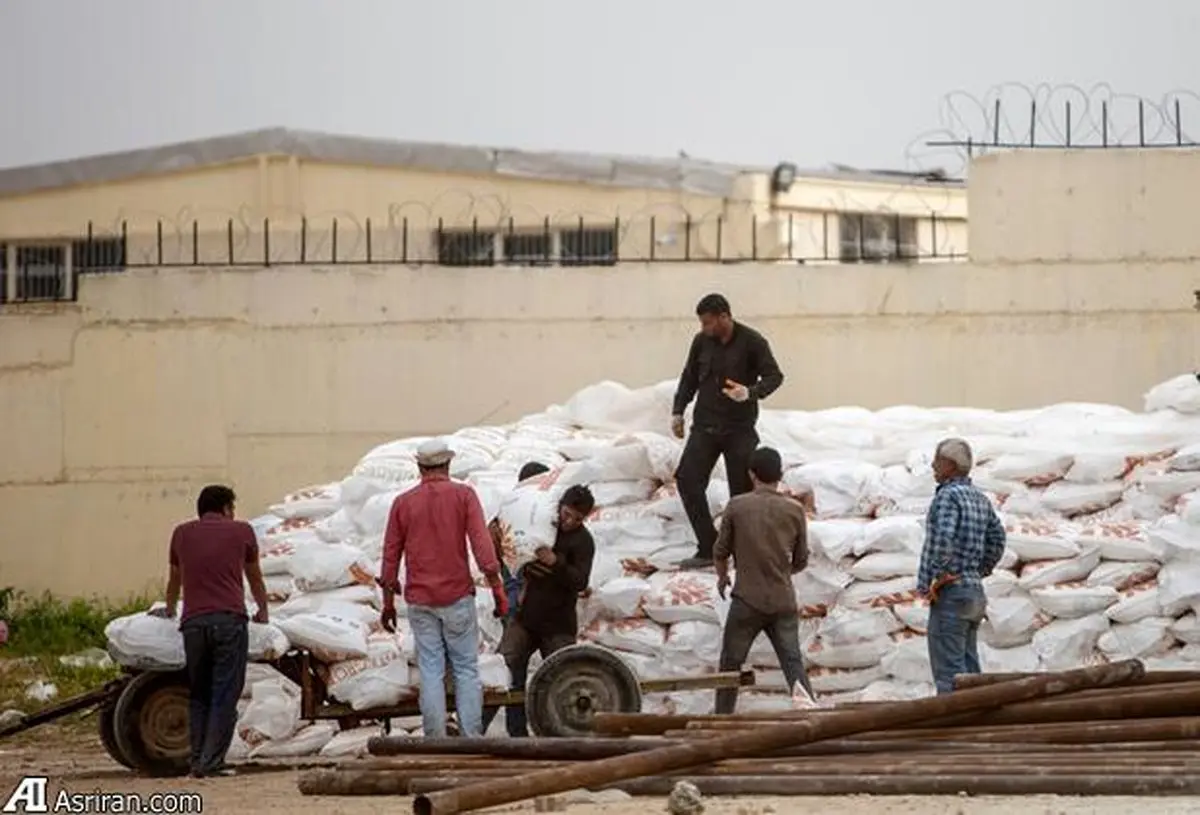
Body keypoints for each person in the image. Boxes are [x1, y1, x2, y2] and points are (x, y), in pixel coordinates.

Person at [377, 438, 507, 738]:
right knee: (465, 669)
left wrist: (387, 603)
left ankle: (434, 738)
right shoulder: (464, 496)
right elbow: (483, 549)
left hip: (420, 600)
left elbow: (390, 558)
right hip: (457, 596)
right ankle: (471, 738)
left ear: (420, 467)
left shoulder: (403, 503)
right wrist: (497, 588)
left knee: (431, 671)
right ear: (448, 464)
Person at [151, 484, 269, 779]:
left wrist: (168, 608)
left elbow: (174, 580)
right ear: (227, 508)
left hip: (193, 624)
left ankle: (196, 761)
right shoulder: (242, 531)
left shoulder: (181, 533)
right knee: (224, 694)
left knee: (199, 694)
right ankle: (211, 762)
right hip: (230, 621)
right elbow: (254, 577)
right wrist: (263, 610)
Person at [672, 293, 784, 569]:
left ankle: (743, 552)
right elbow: (689, 377)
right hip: (705, 427)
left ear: (724, 316)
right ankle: (708, 547)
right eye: (702, 324)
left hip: (739, 429)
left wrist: (750, 392)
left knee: (742, 494)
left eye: (709, 323)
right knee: (687, 480)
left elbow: (774, 376)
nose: (705, 329)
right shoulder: (701, 342)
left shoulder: (752, 342)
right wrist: (678, 410)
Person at [712, 447, 813, 714]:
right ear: (780, 475)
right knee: (793, 662)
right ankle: (811, 716)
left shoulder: (737, 506)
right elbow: (802, 559)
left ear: (751, 474)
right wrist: (781, 572)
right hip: (783, 599)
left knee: (730, 664)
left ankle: (722, 721)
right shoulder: (794, 510)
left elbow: (720, 550)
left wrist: (722, 577)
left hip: (746, 599)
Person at [498, 484, 596, 737]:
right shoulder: (541, 525)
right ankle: (512, 736)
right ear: (559, 507)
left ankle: (560, 738)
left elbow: (581, 581)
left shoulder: (583, 541)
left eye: (577, 518)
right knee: (504, 673)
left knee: (562, 681)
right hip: (525, 617)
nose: (569, 521)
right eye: (566, 514)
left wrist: (556, 562)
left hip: (559, 623)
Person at [918, 438, 1007, 695]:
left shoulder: (947, 496)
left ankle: (954, 729)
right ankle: (977, 728)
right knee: (969, 671)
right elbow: (998, 538)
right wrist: (978, 571)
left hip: (951, 593)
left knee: (950, 676)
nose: (933, 465)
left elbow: (942, 540)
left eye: (938, 460)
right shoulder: (979, 498)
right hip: (973, 593)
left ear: (950, 465)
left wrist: (937, 577)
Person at [479, 461, 551, 735]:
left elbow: (490, 554)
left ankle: (514, 731)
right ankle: (492, 727)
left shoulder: (502, 517)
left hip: (516, 602)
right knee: (515, 667)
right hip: (526, 603)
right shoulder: (533, 515)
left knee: (512, 670)